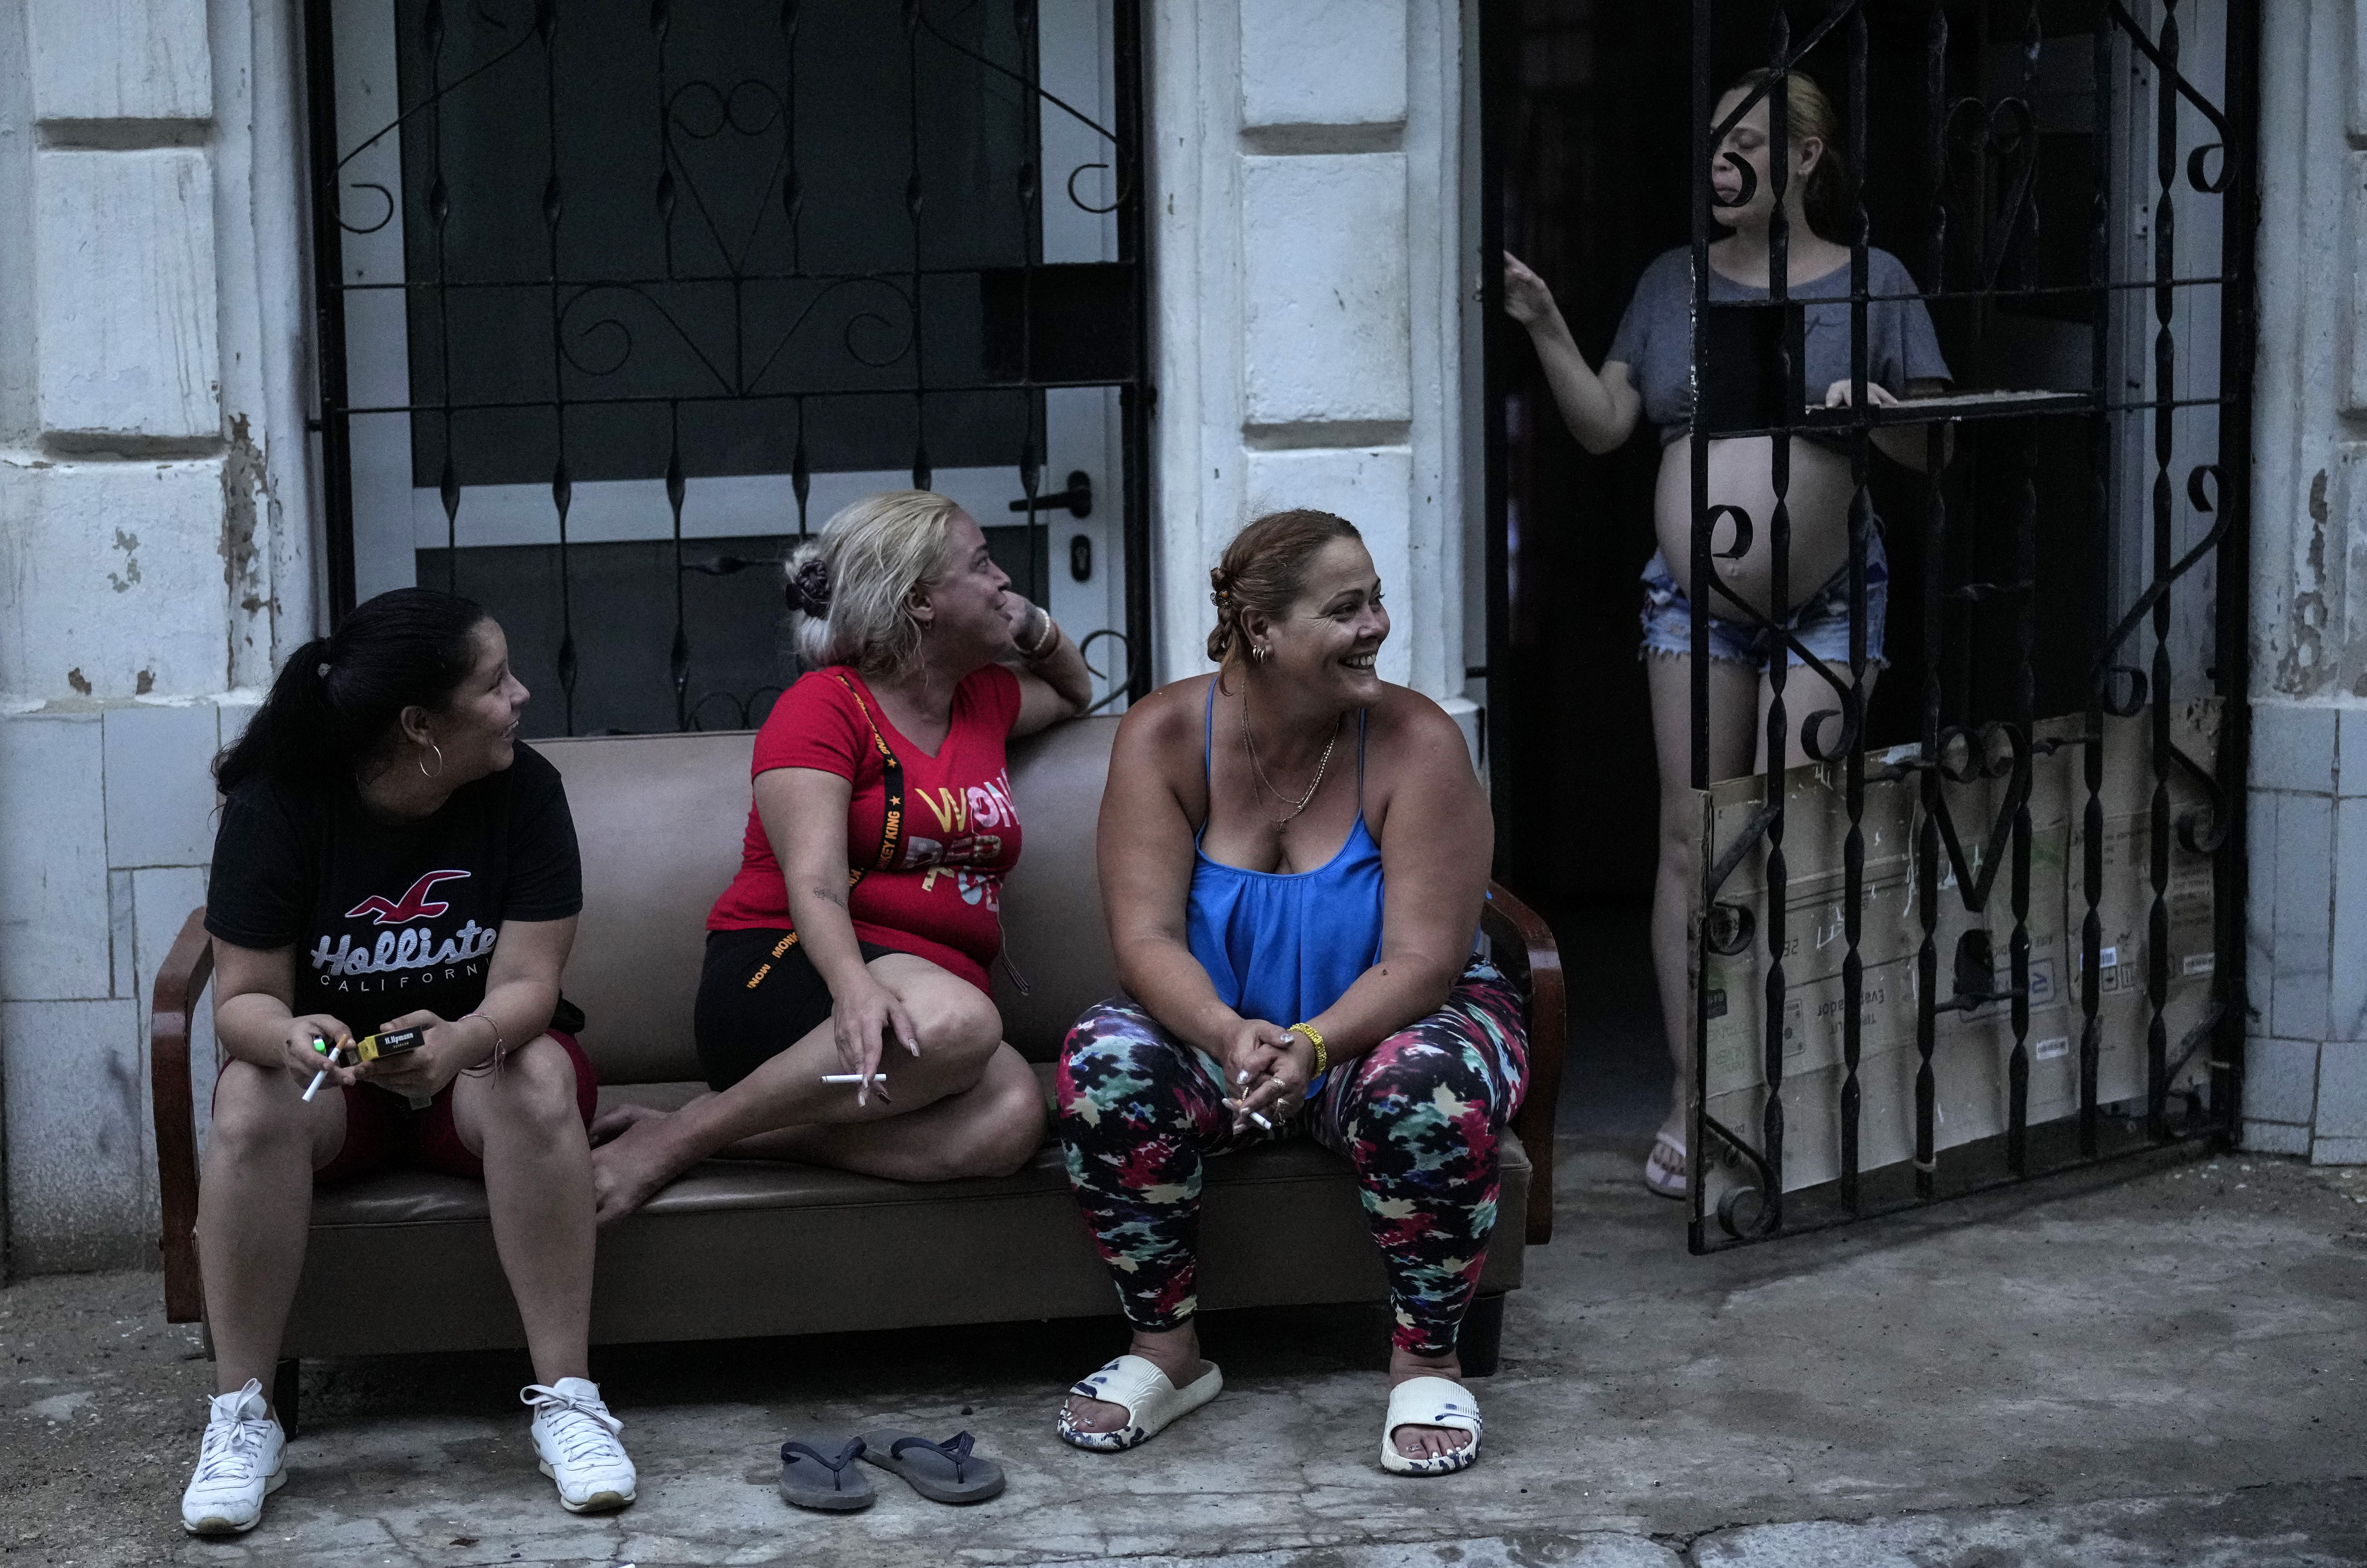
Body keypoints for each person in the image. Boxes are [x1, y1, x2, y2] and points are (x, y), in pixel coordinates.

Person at [1502, 68, 1951, 1199]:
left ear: (1804, 158)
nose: (1720, 164)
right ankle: (1696, 1091)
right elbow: (1607, 426)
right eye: (1712, 143)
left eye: (1745, 143)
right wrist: (1546, 322)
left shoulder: (1874, 282)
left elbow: (1934, 452)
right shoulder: (1672, 283)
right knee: (1695, 840)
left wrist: (1883, 418)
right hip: (1690, 604)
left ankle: (1791, 1090)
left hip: (1833, 597)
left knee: (1799, 839)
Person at [1053, 509, 1527, 1477]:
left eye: (1378, 599)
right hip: (1227, 1028)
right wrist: (1229, 1032)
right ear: (1261, 628)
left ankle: (1427, 1359)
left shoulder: (1418, 742)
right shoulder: (1163, 735)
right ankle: (1167, 1351)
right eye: (1346, 608)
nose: (1378, 626)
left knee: (1423, 1083)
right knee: (1105, 1056)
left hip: (1399, 1017)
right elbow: (1142, 938)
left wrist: (1312, 1045)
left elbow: (1427, 960)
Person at [186, 589, 633, 1535]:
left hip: (471, 1083)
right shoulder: (279, 804)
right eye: (494, 682)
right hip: (333, 1094)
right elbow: (244, 1003)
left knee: (537, 1070)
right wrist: (293, 1035)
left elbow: (528, 984)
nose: (520, 695)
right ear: (421, 725)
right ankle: (240, 1418)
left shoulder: (526, 790)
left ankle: (568, 1399)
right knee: (247, 1100)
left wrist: (464, 1041)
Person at [586, 490, 1092, 1227]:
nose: (1001, 581)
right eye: (982, 565)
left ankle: (730, 1133)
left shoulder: (984, 700)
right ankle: (675, 1142)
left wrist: (1033, 625)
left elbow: (1073, 693)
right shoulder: (826, 705)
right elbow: (813, 881)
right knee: (964, 1025)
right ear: (920, 601)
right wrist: (853, 985)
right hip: (790, 972)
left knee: (1010, 1119)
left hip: (924, 1012)